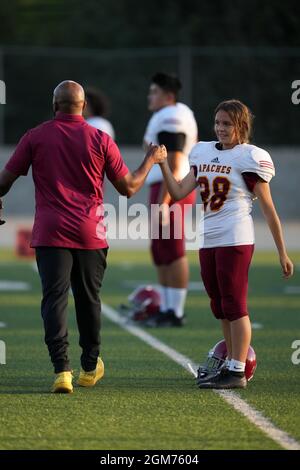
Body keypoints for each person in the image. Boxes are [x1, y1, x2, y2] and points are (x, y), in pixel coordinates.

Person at [0, 80, 166, 394]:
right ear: (83, 107)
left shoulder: (35, 137)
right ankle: (89, 367)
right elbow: (128, 187)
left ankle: (61, 370)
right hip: (90, 230)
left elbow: (3, 182)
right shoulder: (100, 138)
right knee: (89, 299)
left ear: (54, 106)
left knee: (54, 299)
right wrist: (151, 160)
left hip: (50, 231)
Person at [157, 99, 294, 389]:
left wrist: (282, 251)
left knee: (234, 304)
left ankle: (236, 371)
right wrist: (163, 166)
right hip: (209, 238)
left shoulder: (249, 157)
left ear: (241, 126)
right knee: (219, 305)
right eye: (218, 122)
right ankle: (231, 363)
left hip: (236, 237)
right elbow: (179, 191)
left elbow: (268, 208)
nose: (220, 128)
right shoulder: (202, 150)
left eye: (227, 123)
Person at [143, 73, 198, 327]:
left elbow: (174, 159)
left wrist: (165, 201)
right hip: (166, 185)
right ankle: (166, 307)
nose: (150, 96)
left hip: (172, 186)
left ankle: (175, 312)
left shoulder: (171, 115)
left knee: (173, 249)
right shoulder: (168, 114)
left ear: (168, 96)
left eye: (154, 92)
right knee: (160, 248)